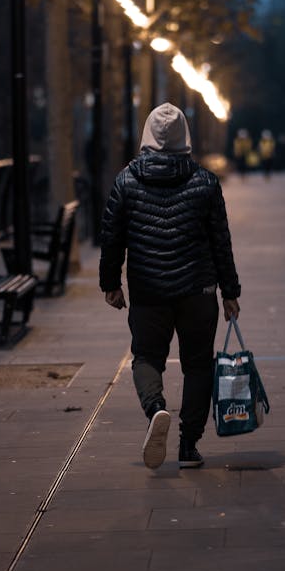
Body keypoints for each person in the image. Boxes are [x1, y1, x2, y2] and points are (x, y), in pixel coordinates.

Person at [99, 103, 241, 470]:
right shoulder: (205, 182)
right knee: (197, 366)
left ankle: (156, 409)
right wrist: (230, 291)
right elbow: (220, 242)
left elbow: (111, 237)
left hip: (148, 289)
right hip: (198, 290)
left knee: (146, 357)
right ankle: (188, 445)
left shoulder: (126, 181)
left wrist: (111, 283)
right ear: (184, 138)